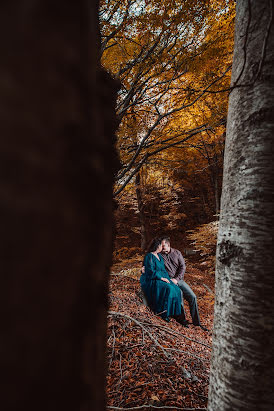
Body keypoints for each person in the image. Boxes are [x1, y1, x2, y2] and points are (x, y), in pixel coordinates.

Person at [160, 236, 208, 331]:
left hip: (179, 280)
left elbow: (183, 267)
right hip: (169, 282)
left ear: (168, 245)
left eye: (163, 246)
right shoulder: (159, 256)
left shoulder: (177, 253)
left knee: (192, 297)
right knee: (180, 296)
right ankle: (183, 320)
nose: (161, 247)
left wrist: (177, 279)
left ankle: (196, 323)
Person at [140, 238, 183, 323]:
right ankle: (164, 313)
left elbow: (163, 269)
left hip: (162, 277)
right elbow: (150, 271)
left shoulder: (159, 256)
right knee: (168, 289)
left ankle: (174, 313)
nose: (162, 247)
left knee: (176, 289)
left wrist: (167, 278)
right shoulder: (149, 256)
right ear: (157, 246)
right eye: (161, 245)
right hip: (153, 279)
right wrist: (161, 278)